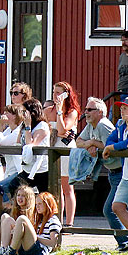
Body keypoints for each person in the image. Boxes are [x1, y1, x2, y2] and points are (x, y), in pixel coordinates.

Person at [100, 97, 128, 251]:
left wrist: (111, 148)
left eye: (125, 108)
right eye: (121, 108)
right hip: (126, 175)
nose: (122, 110)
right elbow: (110, 140)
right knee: (116, 207)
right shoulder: (121, 126)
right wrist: (110, 146)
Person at [0, 98, 51, 198]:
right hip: (27, 168)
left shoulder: (42, 126)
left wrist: (28, 126)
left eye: (24, 112)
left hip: (40, 170)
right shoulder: (23, 125)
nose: (22, 115)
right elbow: (18, 143)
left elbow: (31, 144)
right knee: (14, 186)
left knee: (44, 196)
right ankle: (22, 210)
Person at [49, 81, 80, 226]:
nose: (55, 95)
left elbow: (62, 129)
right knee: (56, 187)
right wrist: (56, 131)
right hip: (53, 149)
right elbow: (45, 128)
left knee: (67, 187)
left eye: (58, 92)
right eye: (54, 92)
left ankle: (69, 222)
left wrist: (60, 110)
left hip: (66, 150)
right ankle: (58, 220)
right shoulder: (48, 110)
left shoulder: (72, 112)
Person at [2, 191, 62, 255]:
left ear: (48, 204)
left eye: (40, 204)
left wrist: (36, 238)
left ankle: (11, 251)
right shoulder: (40, 219)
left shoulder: (53, 220)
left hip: (40, 250)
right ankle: (3, 249)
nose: (37, 207)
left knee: (22, 219)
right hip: (30, 246)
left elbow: (53, 243)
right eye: (36, 204)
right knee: (6, 218)